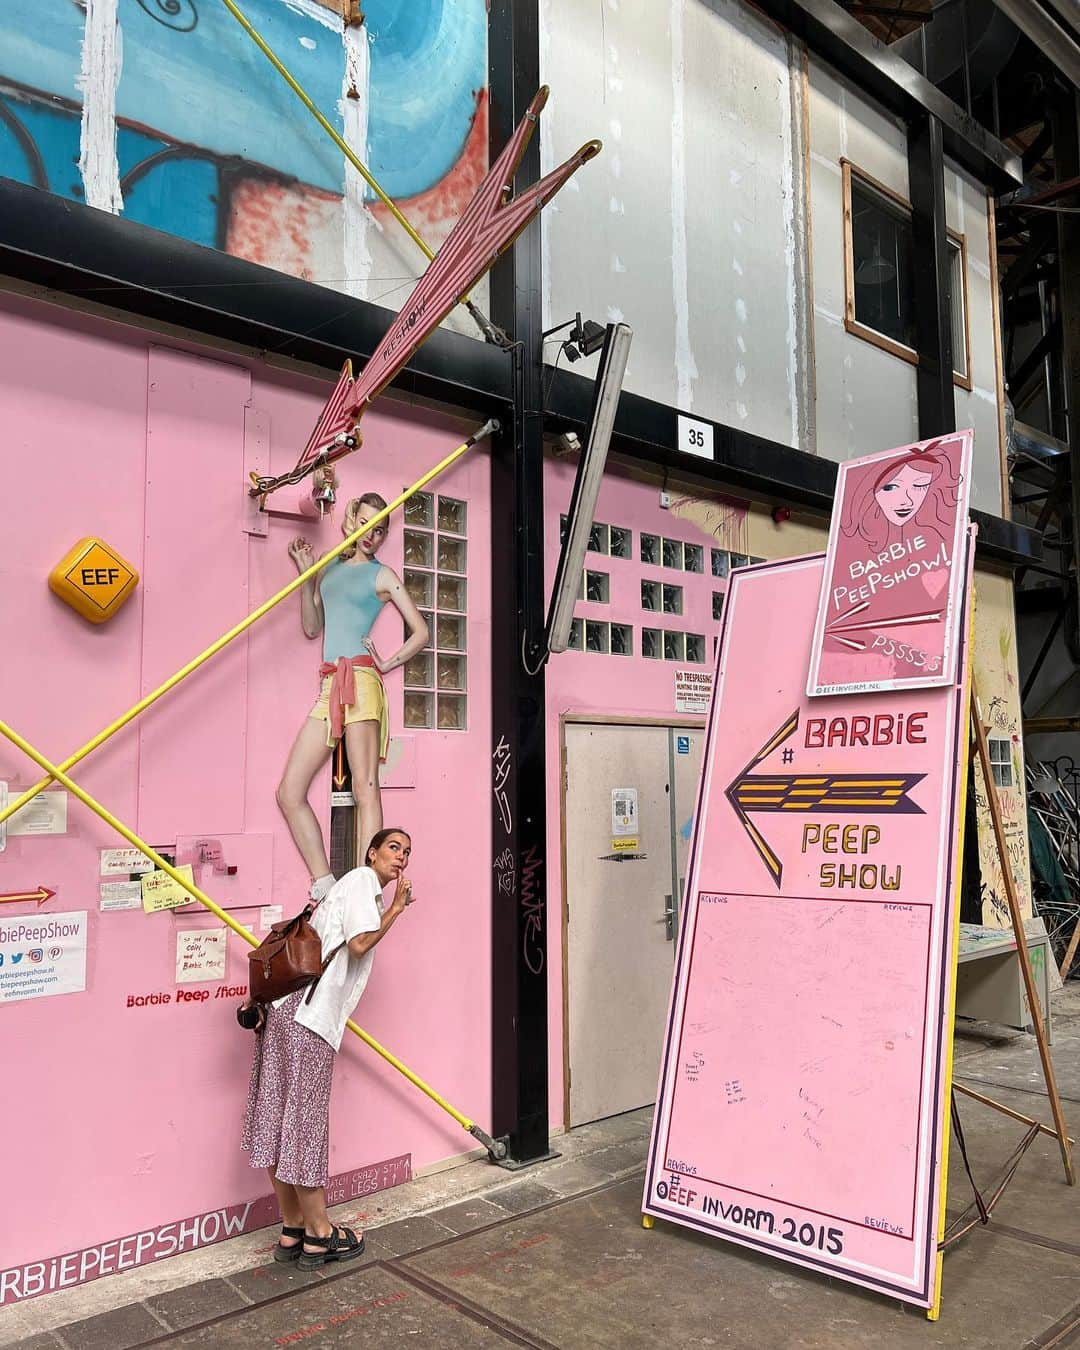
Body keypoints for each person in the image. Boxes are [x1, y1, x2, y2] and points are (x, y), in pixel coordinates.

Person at [241, 828, 415, 1269]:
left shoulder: (352, 890)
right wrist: (395, 910)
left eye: (407, 852)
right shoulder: (360, 882)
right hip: (308, 1016)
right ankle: (320, 1234)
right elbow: (358, 945)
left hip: (283, 1011)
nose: (401, 857)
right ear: (371, 853)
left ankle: (291, 1228)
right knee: (304, 1121)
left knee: (278, 1117)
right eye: (394, 848)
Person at [277, 493, 428, 903]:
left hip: (360, 679)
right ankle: (325, 883)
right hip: (330, 684)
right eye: (367, 524)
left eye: (380, 529)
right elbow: (312, 628)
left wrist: (386, 662)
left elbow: (422, 632)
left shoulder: (382, 575)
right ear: (351, 519)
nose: (373, 535)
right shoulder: (329, 567)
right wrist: (308, 575)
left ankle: (366, 888)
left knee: (365, 786)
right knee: (289, 791)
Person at [839, 442, 961, 556]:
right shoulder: (855, 548)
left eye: (920, 486)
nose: (907, 501)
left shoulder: (940, 539)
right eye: (890, 487)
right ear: (869, 492)